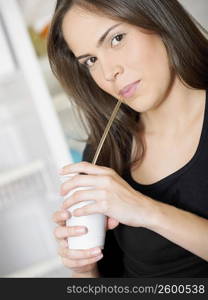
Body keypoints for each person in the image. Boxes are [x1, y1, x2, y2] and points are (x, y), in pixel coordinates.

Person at [47, 0, 208, 278]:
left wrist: (145, 210)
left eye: (116, 39)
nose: (109, 73)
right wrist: (85, 268)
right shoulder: (106, 151)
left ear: (158, 19)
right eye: (90, 61)